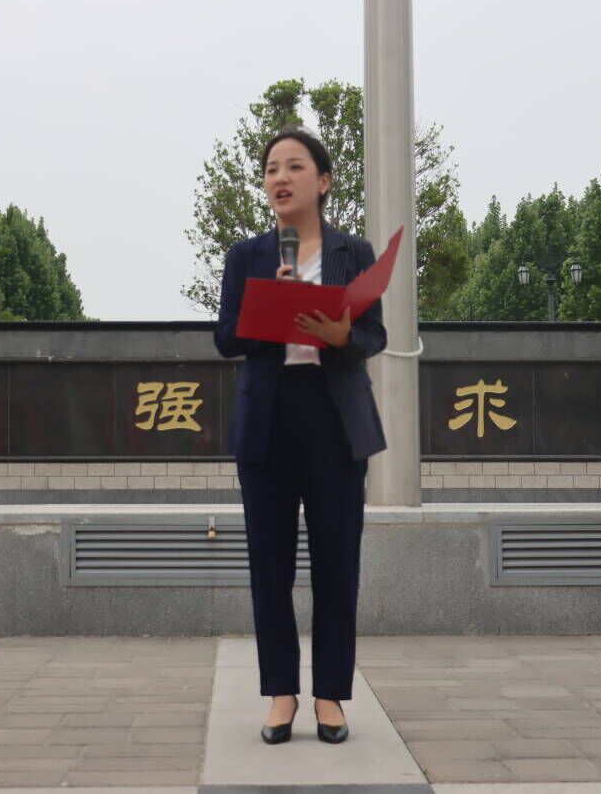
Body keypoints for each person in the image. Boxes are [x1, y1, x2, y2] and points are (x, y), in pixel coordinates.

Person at [214, 127, 387, 745]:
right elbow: (226, 337)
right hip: (268, 419)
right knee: (270, 566)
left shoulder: (352, 252)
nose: (279, 178)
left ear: (324, 180)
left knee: (337, 563)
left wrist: (341, 338)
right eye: (270, 169)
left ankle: (330, 695)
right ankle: (281, 693)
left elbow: (374, 335)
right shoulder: (248, 256)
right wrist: (269, 310)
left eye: (293, 166)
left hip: (334, 419)